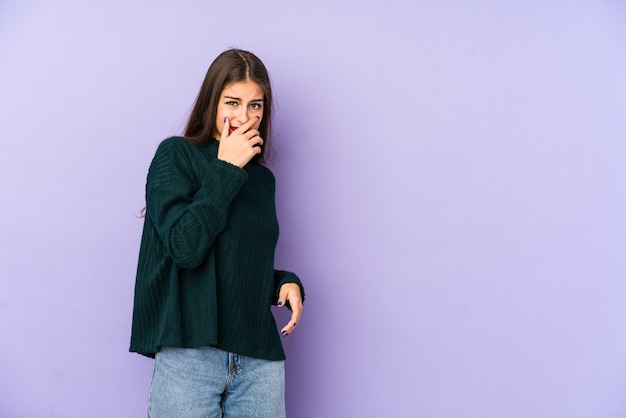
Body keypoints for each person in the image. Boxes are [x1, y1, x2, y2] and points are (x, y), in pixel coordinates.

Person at [129, 48, 304, 418]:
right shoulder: (175, 156)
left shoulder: (261, 180)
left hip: (258, 360)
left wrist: (282, 283)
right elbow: (186, 248)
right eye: (233, 102)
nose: (245, 117)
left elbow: (233, 261)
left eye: (256, 105)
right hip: (190, 354)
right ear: (212, 100)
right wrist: (225, 167)